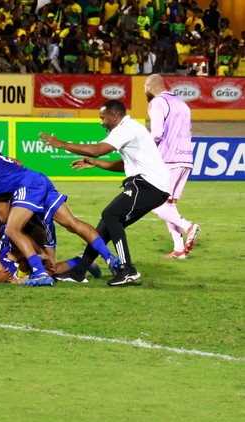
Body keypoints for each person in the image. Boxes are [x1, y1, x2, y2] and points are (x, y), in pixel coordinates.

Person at [0, 146, 120, 287]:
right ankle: (111, 259)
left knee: (12, 229)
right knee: (72, 223)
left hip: (27, 186)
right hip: (38, 179)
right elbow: (17, 164)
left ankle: (40, 273)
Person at [39, 99, 171, 286]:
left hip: (149, 185)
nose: (101, 122)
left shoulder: (127, 128)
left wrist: (61, 144)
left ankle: (127, 270)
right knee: (105, 226)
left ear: (115, 116)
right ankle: (78, 271)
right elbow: (122, 165)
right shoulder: (130, 129)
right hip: (150, 185)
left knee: (111, 214)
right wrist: (95, 164)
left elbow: (97, 150)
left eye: (103, 118)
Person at [144, 74, 200, 259]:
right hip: (186, 158)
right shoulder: (182, 104)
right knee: (170, 205)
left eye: (145, 88)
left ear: (150, 87)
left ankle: (188, 226)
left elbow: (157, 133)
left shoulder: (157, 102)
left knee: (154, 202)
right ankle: (178, 249)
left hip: (168, 159)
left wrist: (146, 149)